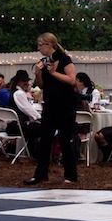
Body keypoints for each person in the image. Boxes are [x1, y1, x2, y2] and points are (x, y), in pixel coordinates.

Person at [24, 32, 79, 185]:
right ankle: (40, 174)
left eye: (41, 45)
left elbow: (71, 80)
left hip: (66, 104)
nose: (39, 48)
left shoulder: (65, 59)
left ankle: (71, 175)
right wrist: (38, 73)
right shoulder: (43, 61)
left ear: (49, 45)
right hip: (50, 104)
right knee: (45, 139)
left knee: (64, 139)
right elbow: (41, 85)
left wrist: (53, 72)